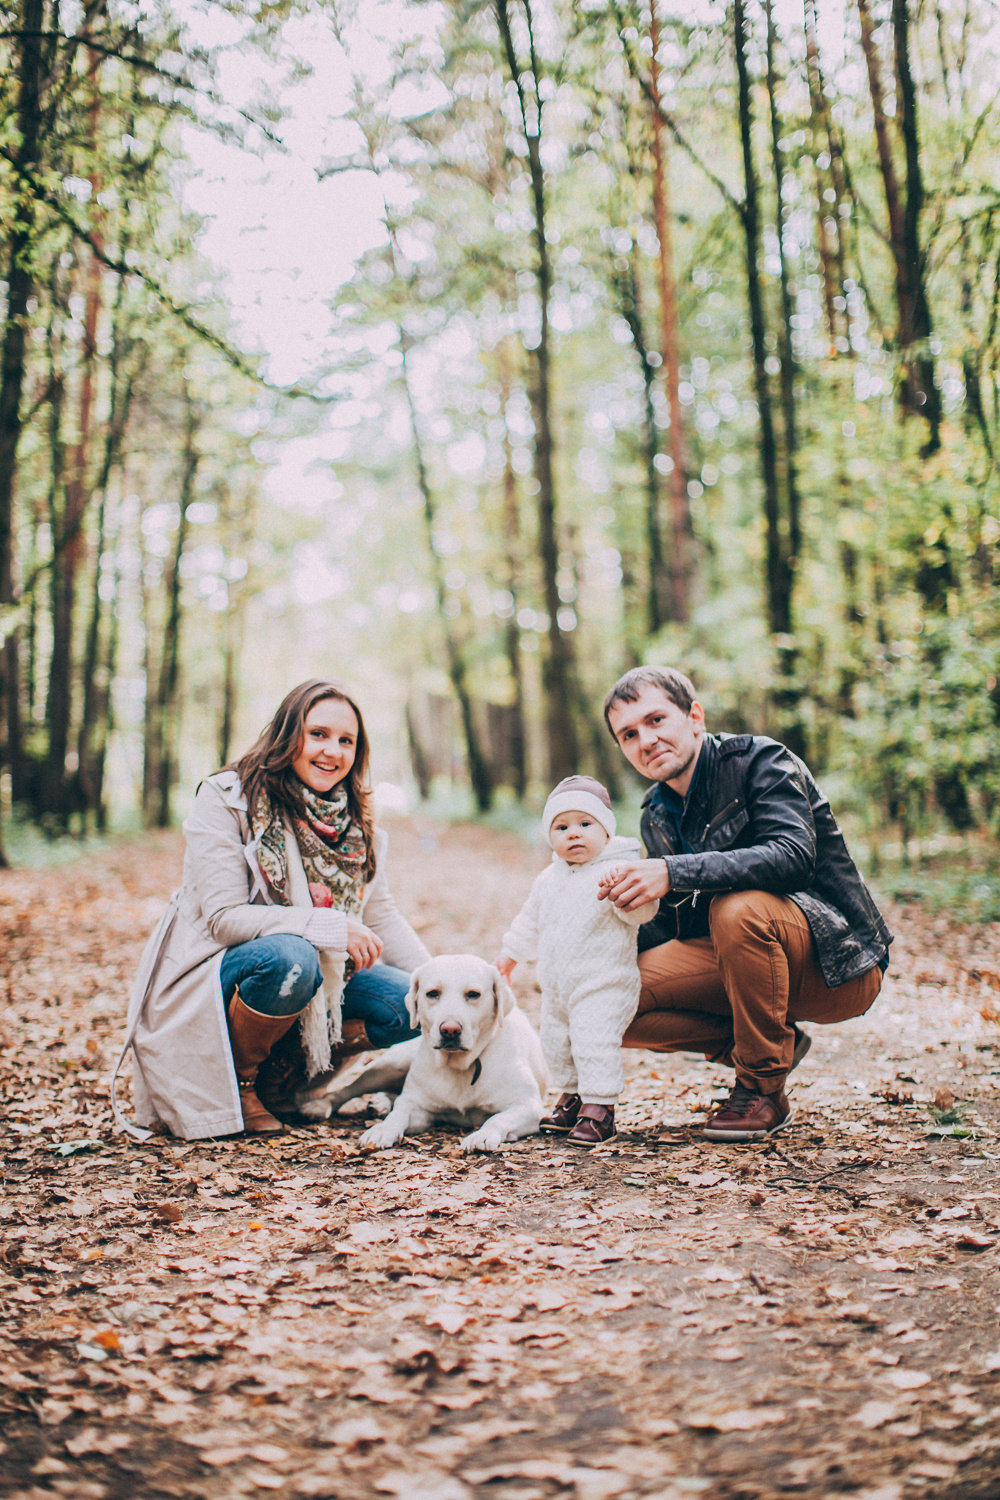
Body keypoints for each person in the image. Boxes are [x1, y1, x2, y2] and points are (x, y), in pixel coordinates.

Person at [112, 679, 429, 1142]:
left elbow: (380, 916)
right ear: (287, 734)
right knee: (291, 959)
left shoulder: (358, 822)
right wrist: (328, 926)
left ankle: (280, 1079)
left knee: (408, 1004)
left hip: (318, 975)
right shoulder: (228, 799)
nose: (332, 751)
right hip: (218, 970)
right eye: (317, 734)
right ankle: (238, 1084)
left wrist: (444, 981)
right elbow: (223, 919)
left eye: (347, 741)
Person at [598, 666, 892, 1142]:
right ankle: (777, 1044)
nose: (645, 741)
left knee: (736, 909)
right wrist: (586, 946)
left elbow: (793, 857)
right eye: (628, 734)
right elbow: (677, 922)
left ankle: (762, 1088)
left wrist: (672, 871)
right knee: (608, 996)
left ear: (694, 717)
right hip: (744, 966)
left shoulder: (761, 760)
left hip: (838, 964)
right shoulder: (655, 811)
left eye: (655, 720)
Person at [496, 776, 657, 1146]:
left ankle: (600, 1108)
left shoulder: (617, 871)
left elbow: (643, 913)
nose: (574, 834)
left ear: (606, 831)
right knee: (556, 1042)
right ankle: (572, 1098)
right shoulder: (547, 879)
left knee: (592, 1041)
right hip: (556, 986)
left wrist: (625, 897)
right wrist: (509, 956)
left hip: (604, 982)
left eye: (586, 824)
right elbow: (528, 921)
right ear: (549, 835)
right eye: (562, 826)